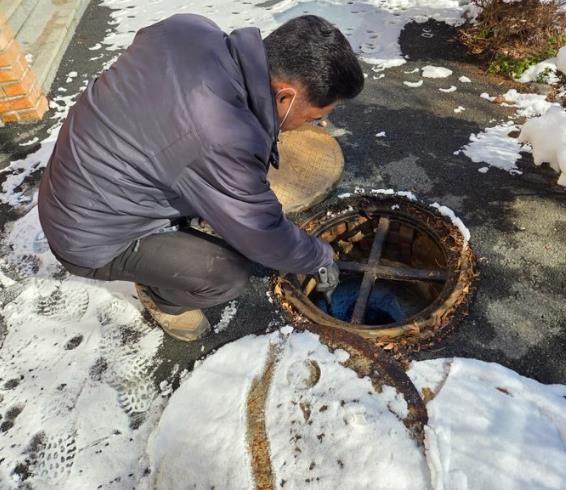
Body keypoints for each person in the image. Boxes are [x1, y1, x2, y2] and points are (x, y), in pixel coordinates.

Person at [37, 14, 364, 341]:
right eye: (314, 117)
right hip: (92, 236)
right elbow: (261, 233)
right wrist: (318, 256)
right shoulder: (222, 136)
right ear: (284, 97)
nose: (318, 124)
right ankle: (162, 296)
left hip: (81, 183)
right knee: (227, 275)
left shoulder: (189, 29)